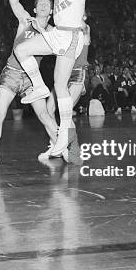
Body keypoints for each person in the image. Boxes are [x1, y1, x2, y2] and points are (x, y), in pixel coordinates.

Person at [6, 0, 86, 156]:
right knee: (21, 48)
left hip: (70, 36)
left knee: (60, 86)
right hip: (58, 34)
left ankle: (64, 137)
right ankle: (39, 87)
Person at [0, 0, 59, 168]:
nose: (42, 5)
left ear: (51, 11)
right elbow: (12, 0)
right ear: (34, 9)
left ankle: (59, 146)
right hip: (11, 73)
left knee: (44, 114)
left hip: (32, 79)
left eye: (46, 4)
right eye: (39, 3)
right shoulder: (26, 21)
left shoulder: (52, 32)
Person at [45, 19, 91, 164]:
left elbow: (84, 27)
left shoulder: (84, 28)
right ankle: (55, 143)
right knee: (49, 109)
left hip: (77, 73)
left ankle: (74, 151)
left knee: (66, 112)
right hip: (63, 72)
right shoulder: (62, 31)